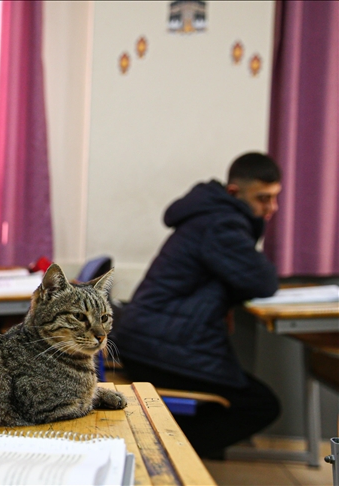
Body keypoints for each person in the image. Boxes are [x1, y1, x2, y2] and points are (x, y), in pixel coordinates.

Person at [112, 152, 283, 460]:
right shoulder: (222, 224)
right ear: (234, 193)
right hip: (158, 347)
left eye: (274, 199)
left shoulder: (210, 217)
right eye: (262, 199)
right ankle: (165, 454)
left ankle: (169, 447)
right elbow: (263, 280)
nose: (271, 209)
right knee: (261, 405)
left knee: (250, 400)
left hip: (146, 338)